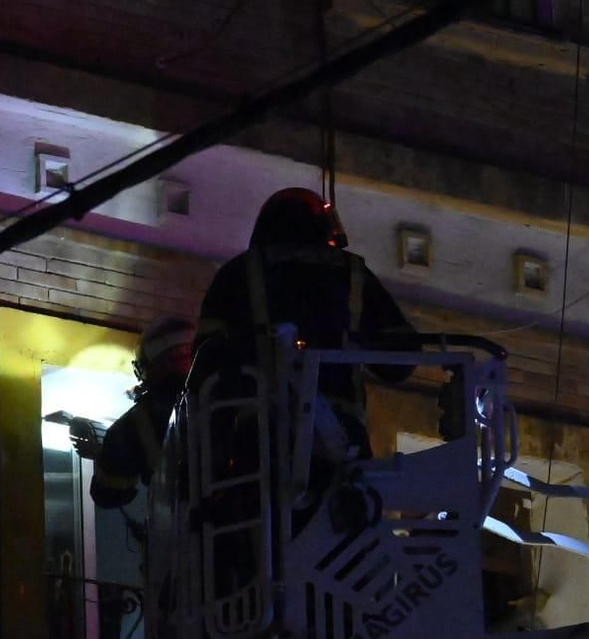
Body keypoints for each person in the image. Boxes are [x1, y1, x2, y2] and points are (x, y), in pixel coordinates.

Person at [190, 187, 415, 461]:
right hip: (345, 443)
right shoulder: (355, 274)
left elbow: (206, 366)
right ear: (322, 226)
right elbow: (401, 362)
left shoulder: (236, 274)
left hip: (258, 444)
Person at [70, 316, 195, 511]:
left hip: (185, 520)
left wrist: (102, 454)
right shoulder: (226, 392)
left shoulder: (135, 423)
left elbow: (108, 495)